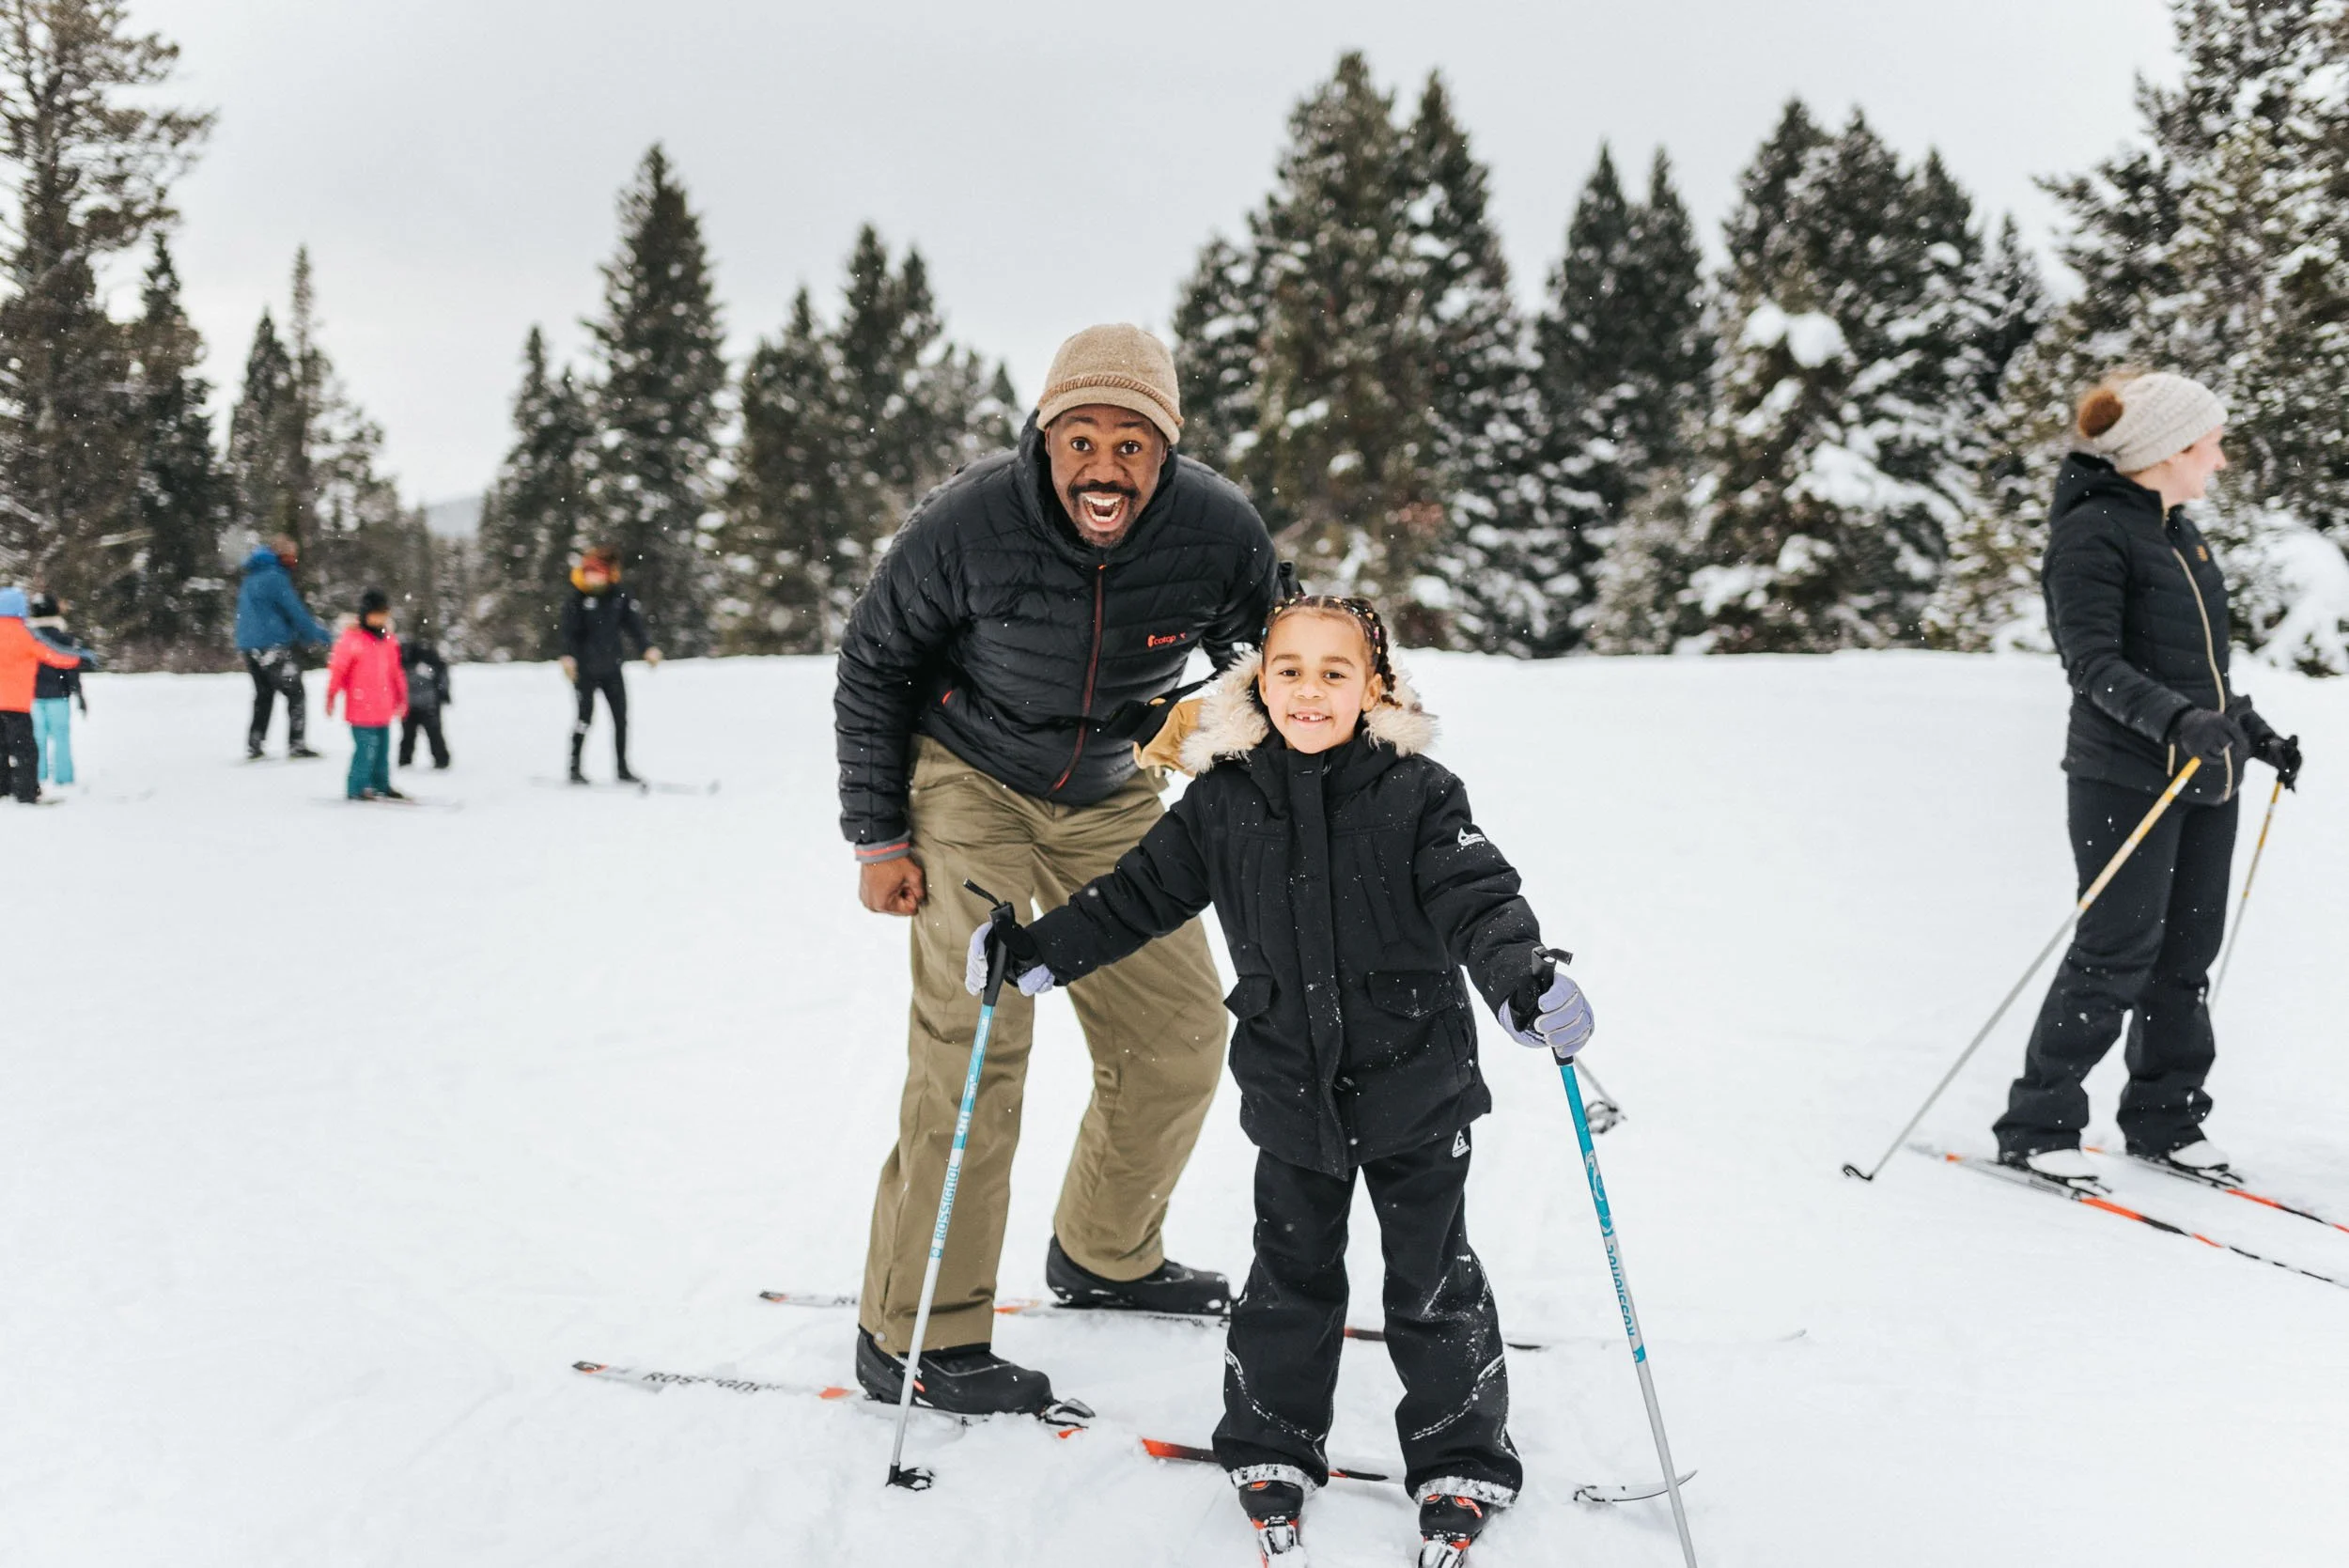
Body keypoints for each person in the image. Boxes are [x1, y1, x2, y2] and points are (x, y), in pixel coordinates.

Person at [992, 593, 1592, 1566]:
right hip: (1289, 1088)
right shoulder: (1223, 803)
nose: (1308, 690)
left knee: (1432, 1280)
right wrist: (1040, 952)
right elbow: (1134, 898)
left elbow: (1479, 897)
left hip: (1415, 1085)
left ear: (1376, 687)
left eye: (1334, 671)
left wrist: (1524, 981)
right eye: (1288, 670)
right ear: (1255, 682)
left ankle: (1461, 1453)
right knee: (1289, 1277)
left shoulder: (1419, 794)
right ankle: (1273, 1437)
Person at [835, 323, 1278, 1416]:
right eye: (1080, 437)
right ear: (1045, 439)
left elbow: (1269, 655)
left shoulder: (1217, 530)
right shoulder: (971, 519)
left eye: (1131, 444)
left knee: (1179, 1032)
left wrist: (1238, 743)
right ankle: (915, 1332)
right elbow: (874, 660)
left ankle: (1105, 1250)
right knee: (979, 1037)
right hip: (967, 777)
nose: (1103, 466)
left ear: (1164, 452)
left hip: (1112, 789)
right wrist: (879, 837)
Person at [1993, 371, 2302, 1183]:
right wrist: (2175, 723)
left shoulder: (2179, 533)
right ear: (2167, 452)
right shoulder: (2093, 534)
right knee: (2116, 951)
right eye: (2211, 445)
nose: (2222, 461)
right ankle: (2039, 1120)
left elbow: (2195, 667)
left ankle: (2165, 1117)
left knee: (2186, 954)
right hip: (2125, 776)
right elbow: (2091, 663)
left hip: (2205, 771)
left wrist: (2246, 726)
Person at [559, 546, 660, 784]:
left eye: (601, 572)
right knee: (584, 718)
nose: (597, 577)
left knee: (621, 718)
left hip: (612, 667)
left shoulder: (618, 596)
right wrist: (567, 657)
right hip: (584, 670)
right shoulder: (576, 599)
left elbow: (634, 625)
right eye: (592, 572)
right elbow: (568, 634)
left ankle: (623, 769)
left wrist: (647, 647)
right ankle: (574, 768)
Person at [234, 535, 334, 759]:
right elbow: (295, 612)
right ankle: (296, 744)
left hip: (249, 645)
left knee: (264, 693)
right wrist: (318, 635)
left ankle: (255, 742)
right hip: (272, 645)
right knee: (295, 692)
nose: (294, 563)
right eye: (291, 558)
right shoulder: (275, 577)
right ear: (282, 556)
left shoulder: (252, 577)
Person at [0, 586, 86, 803]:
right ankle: (26, 792)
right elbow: (55, 655)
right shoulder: (26, 634)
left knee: (0, 749)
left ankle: (2, 788)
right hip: (17, 706)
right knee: (26, 750)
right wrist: (79, 658)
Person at [325, 589, 409, 801]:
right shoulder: (352, 639)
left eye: (383, 614)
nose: (380, 618)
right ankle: (356, 788)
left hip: (383, 707)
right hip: (361, 708)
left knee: (381, 752)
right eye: (375, 613)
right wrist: (331, 695)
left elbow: (395, 672)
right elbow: (338, 669)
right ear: (365, 614)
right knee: (365, 751)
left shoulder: (388, 641)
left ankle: (381, 785)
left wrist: (401, 697)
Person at [26, 594, 94, 788]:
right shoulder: (65, 639)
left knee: (36, 738)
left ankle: (39, 775)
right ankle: (64, 777)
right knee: (61, 737)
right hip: (59, 696)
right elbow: (72, 670)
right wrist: (79, 694)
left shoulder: (28, 638)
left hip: (33, 696)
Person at [398, 634, 453, 769]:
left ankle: (440, 760)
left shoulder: (428, 660)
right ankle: (407, 761)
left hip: (424, 703)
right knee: (413, 735)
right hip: (418, 704)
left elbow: (442, 676)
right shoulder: (408, 661)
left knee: (429, 734)